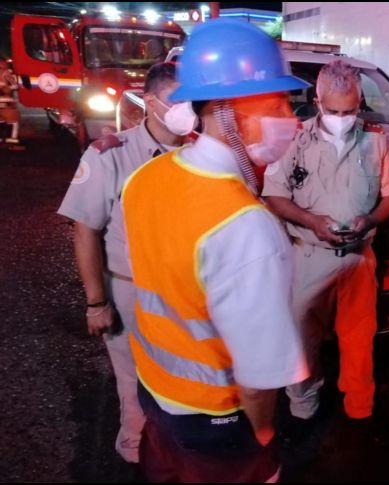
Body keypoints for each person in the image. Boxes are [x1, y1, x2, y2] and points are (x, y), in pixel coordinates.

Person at [120, 19, 309, 482]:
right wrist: (262, 431)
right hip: (216, 420)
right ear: (229, 111)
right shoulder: (246, 226)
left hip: (155, 396)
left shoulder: (147, 177)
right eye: (279, 100)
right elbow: (260, 374)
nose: (293, 116)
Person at [263, 60, 389, 432]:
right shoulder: (293, 141)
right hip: (308, 257)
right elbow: (274, 196)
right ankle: (303, 408)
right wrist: (313, 221)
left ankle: (360, 407)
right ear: (317, 100)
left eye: (350, 110)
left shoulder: (376, 142)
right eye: (333, 111)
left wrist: (371, 220)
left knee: (360, 338)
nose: (343, 118)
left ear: (360, 103)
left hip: (360, 259)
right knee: (302, 339)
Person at [57, 62, 182, 464]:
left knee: (180, 381)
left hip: (186, 292)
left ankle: (172, 453)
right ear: (149, 102)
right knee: (133, 386)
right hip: (131, 289)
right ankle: (134, 451)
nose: (189, 108)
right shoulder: (112, 154)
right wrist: (96, 302)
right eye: (178, 99)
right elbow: (85, 230)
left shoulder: (201, 154)